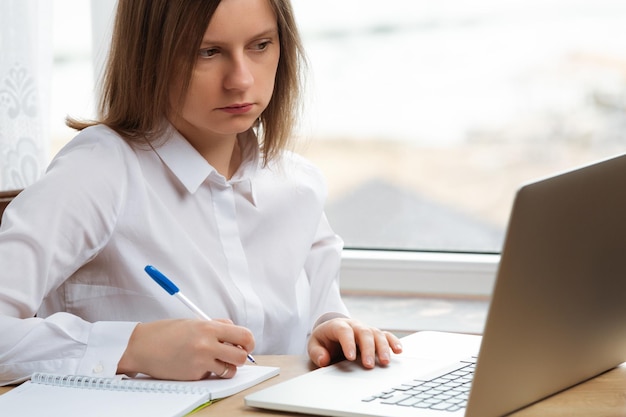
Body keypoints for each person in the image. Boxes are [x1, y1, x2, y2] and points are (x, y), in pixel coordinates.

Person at [0, 0, 402, 385]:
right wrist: (133, 348)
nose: (241, 80)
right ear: (149, 56)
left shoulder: (298, 185)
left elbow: (321, 314)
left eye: (260, 45)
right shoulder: (99, 171)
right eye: (207, 52)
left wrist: (332, 332)